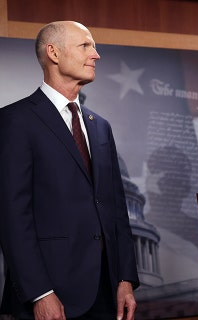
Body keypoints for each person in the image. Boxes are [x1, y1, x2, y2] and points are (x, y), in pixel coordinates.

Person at [0, 21, 139, 319]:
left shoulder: (100, 126)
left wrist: (125, 280)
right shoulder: (15, 121)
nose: (96, 55)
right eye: (85, 45)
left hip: (107, 294)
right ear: (53, 53)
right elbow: (12, 216)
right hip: (50, 294)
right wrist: (40, 293)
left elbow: (116, 210)